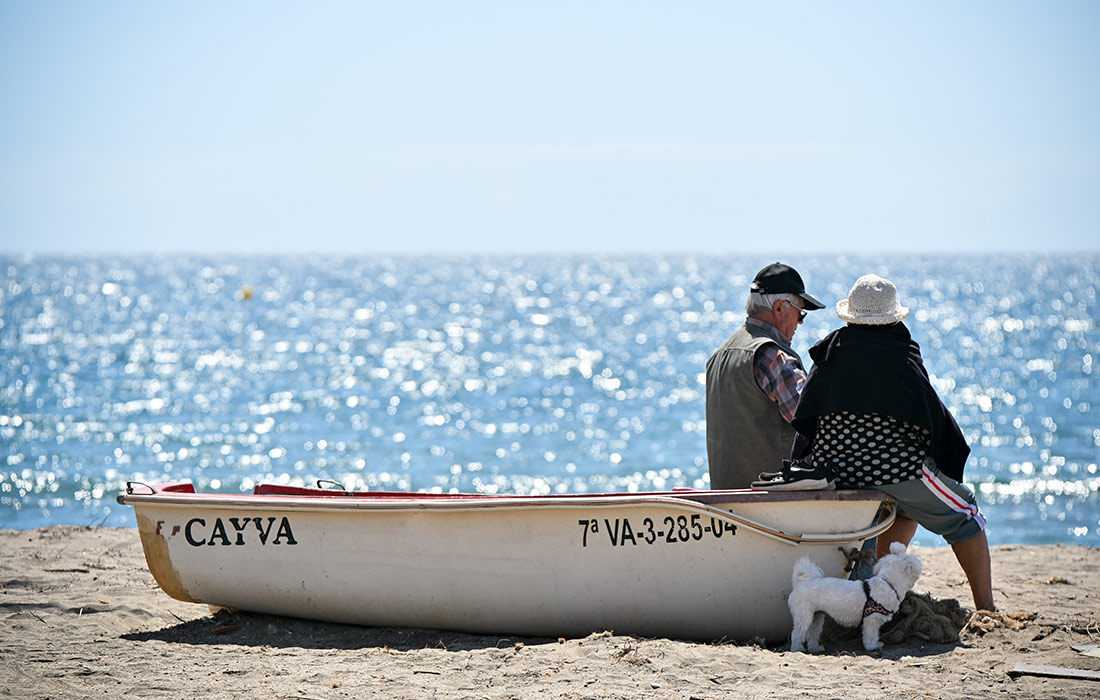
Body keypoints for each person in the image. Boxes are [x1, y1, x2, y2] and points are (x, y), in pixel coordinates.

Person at [790, 274, 995, 611]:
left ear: (850, 317)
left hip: (835, 471)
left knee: (902, 513)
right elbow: (929, 416)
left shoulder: (829, 353)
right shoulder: (900, 353)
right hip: (895, 469)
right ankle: (987, 608)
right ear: (893, 317)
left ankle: (872, 589)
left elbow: (807, 415)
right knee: (966, 513)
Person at [706, 262, 825, 489]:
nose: (800, 322)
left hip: (726, 499)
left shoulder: (718, 355)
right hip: (772, 502)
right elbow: (814, 422)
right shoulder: (773, 357)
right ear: (779, 308)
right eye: (800, 313)